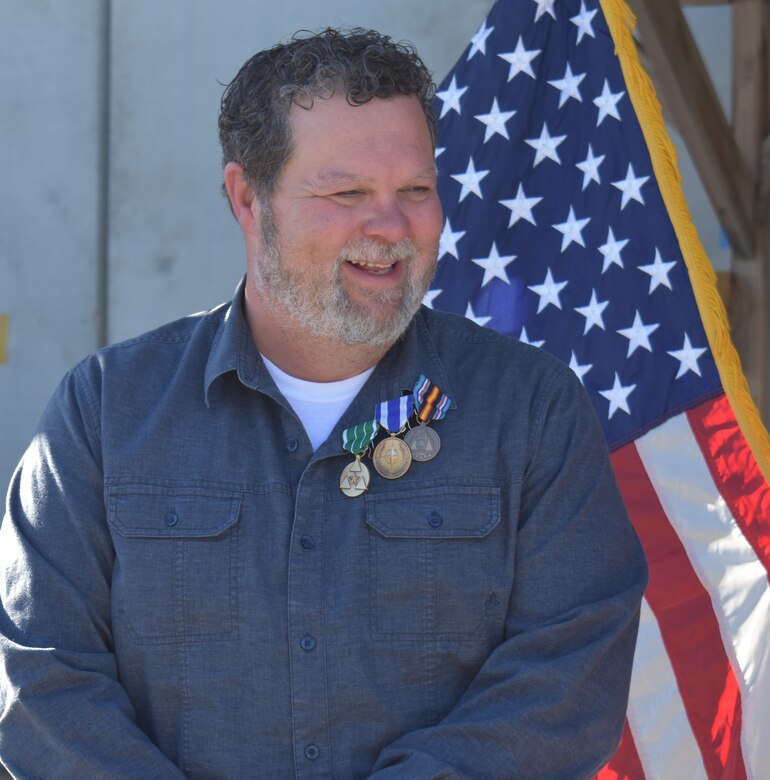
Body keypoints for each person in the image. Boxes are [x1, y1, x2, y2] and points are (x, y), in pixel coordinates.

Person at [0, 28, 647, 779]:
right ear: (248, 198)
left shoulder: (531, 411)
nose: (392, 227)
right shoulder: (108, 411)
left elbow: (567, 679)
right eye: (346, 193)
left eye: (416, 190)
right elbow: (36, 675)